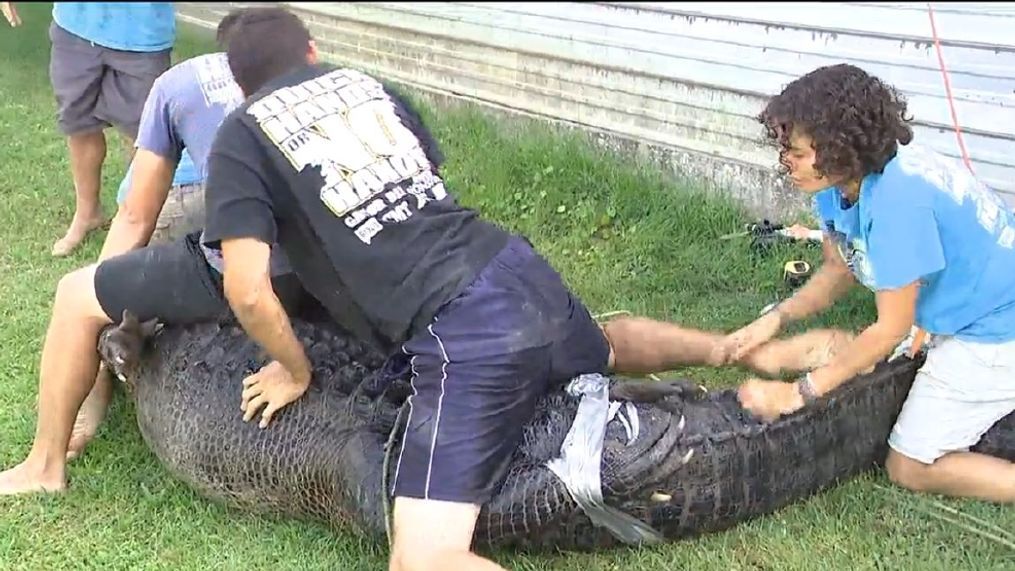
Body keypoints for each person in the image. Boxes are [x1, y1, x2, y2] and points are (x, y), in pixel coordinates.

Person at [192, 8, 877, 569]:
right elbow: (420, 190)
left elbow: (248, 289)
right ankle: (733, 349)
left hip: (463, 330)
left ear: (237, 80)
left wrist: (292, 367)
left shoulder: (239, 136)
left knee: (423, 559)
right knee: (601, 345)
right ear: (311, 50)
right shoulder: (365, 86)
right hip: (513, 267)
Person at [0, 13, 305, 494]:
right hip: (328, 261)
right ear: (308, 51)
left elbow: (137, 218)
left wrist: (104, 287)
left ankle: (46, 465)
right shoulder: (344, 86)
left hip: (243, 254)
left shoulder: (181, 84)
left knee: (76, 296)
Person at [714, 63, 1015, 504]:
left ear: (839, 147)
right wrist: (776, 318)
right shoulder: (838, 186)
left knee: (909, 464)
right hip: (976, 304)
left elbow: (890, 328)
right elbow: (839, 270)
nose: (786, 164)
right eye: (784, 150)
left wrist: (799, 393)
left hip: (997, 330)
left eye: (796, 152)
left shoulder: (897, 203)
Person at [1, 2, 176, 256]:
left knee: (144, 137)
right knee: (78, 123)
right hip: (74, 26)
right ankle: (87, 214)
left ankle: (136, 221)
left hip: (141, 34)